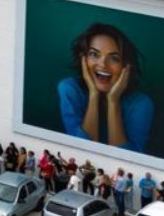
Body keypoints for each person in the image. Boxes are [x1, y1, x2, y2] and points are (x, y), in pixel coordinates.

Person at [56, 23, 156, 152]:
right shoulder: (70, 89)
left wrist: (113, 101)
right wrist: (93, 95)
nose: (103, 64)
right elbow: (83, 151)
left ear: (125, 66)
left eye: (114, 58)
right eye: (94, 54)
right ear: (83, 59)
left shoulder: (140, 104)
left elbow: (124, 159)